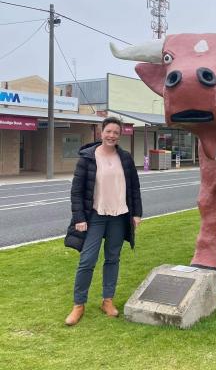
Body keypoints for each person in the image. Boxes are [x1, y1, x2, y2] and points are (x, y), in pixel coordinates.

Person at [64, 116, 142, 326]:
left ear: (120, 135)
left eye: (116, 132)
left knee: (112, 259)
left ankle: (107, 300)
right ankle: (78, 304)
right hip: (95, 216)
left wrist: (136, 214)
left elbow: (134, 188)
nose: (112, 135)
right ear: (101, 132)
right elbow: (77, 192)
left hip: (119, 216)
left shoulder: (124, 158)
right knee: (87, 260)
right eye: (109, 131)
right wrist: (79, 218)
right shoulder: (88, 158)